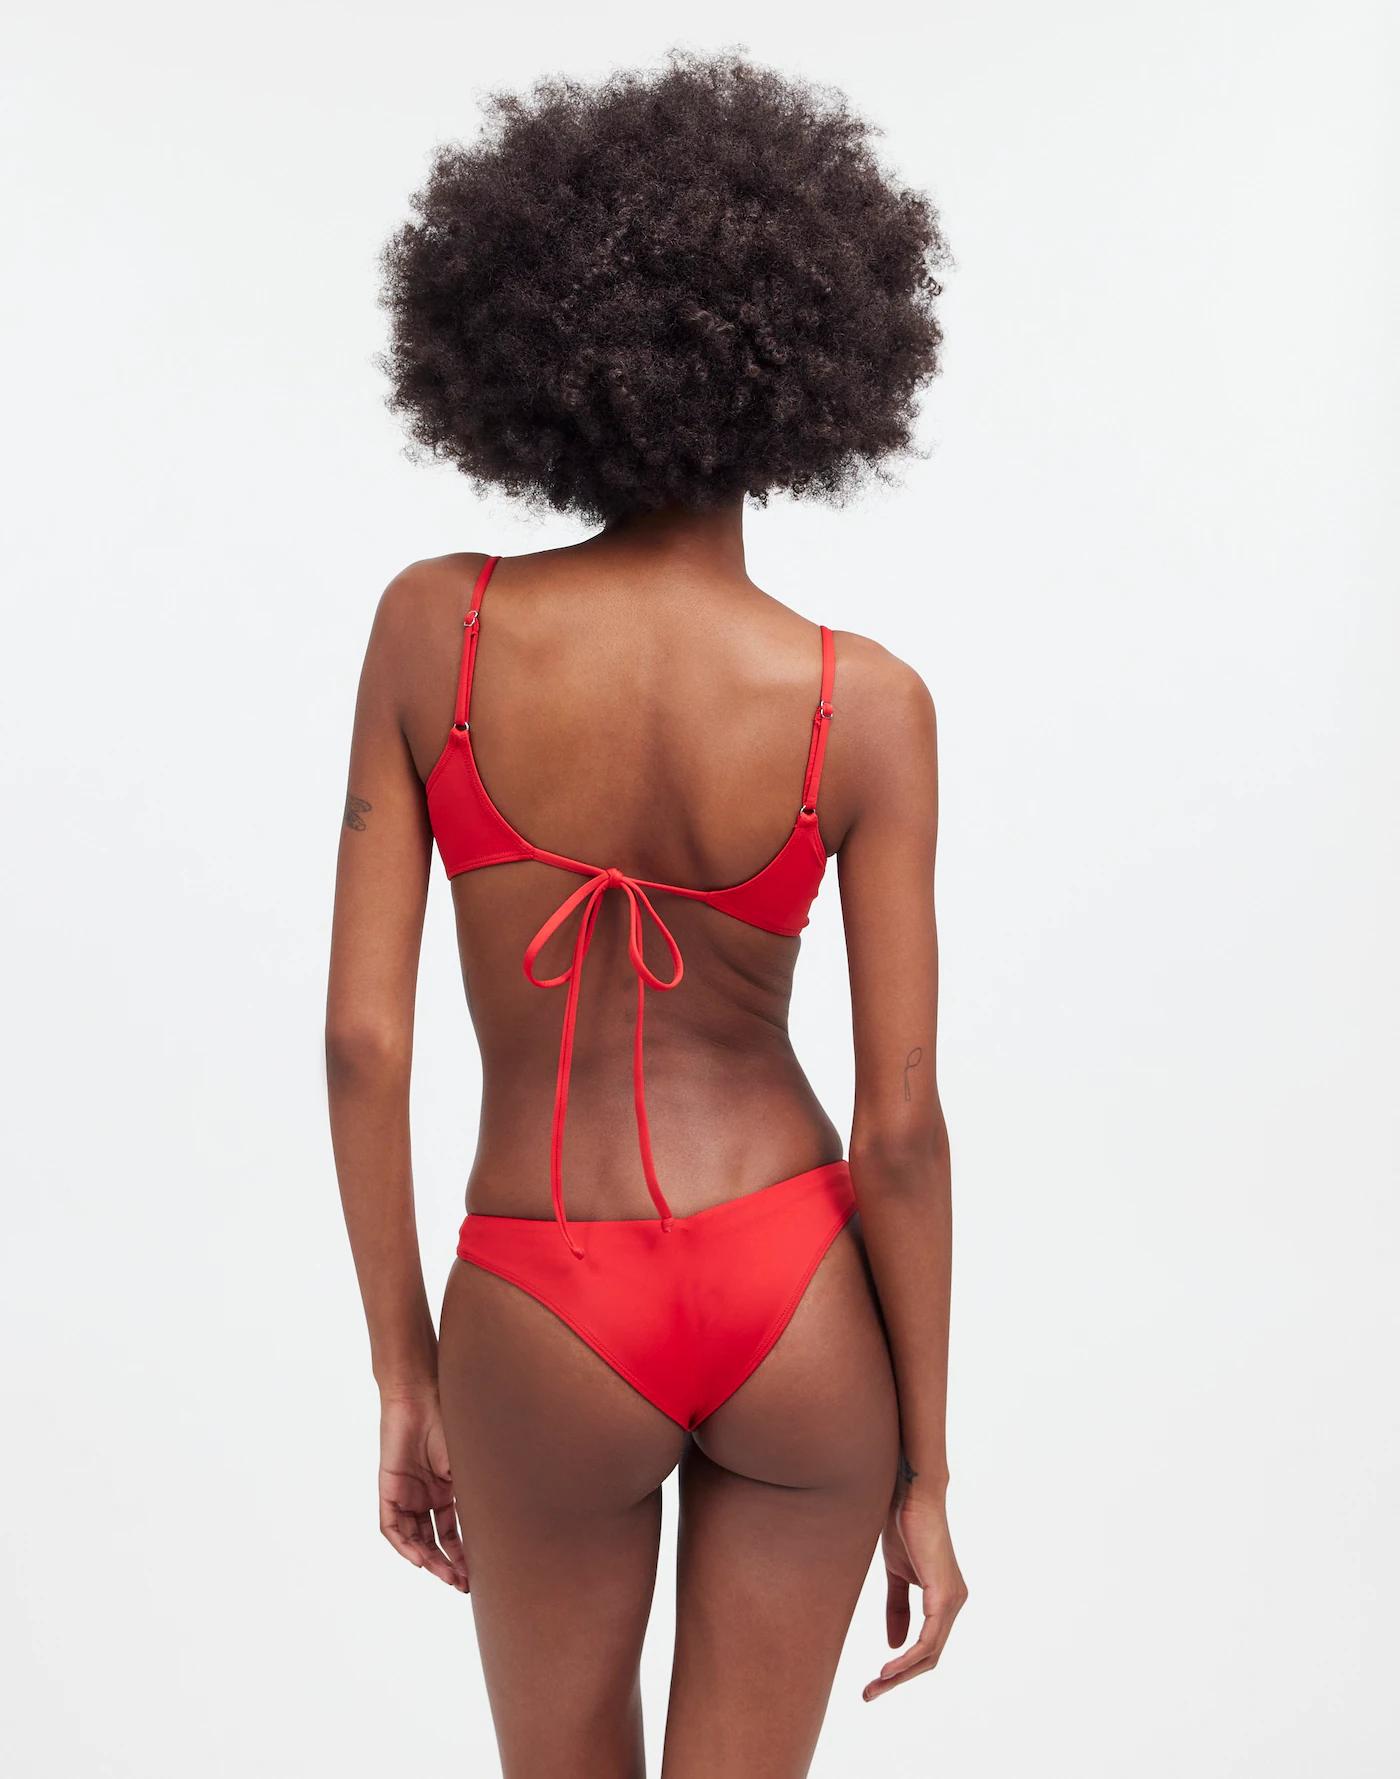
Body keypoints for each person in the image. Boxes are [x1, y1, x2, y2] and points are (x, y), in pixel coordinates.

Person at [326, 51, 966, 1778]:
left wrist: (405, 1368)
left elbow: (363, 1042)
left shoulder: (437, 629)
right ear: (813, 363)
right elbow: (901, 1127)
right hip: (797, 1294)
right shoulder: (865, 704)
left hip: (541, 1296)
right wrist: (926, 1471)